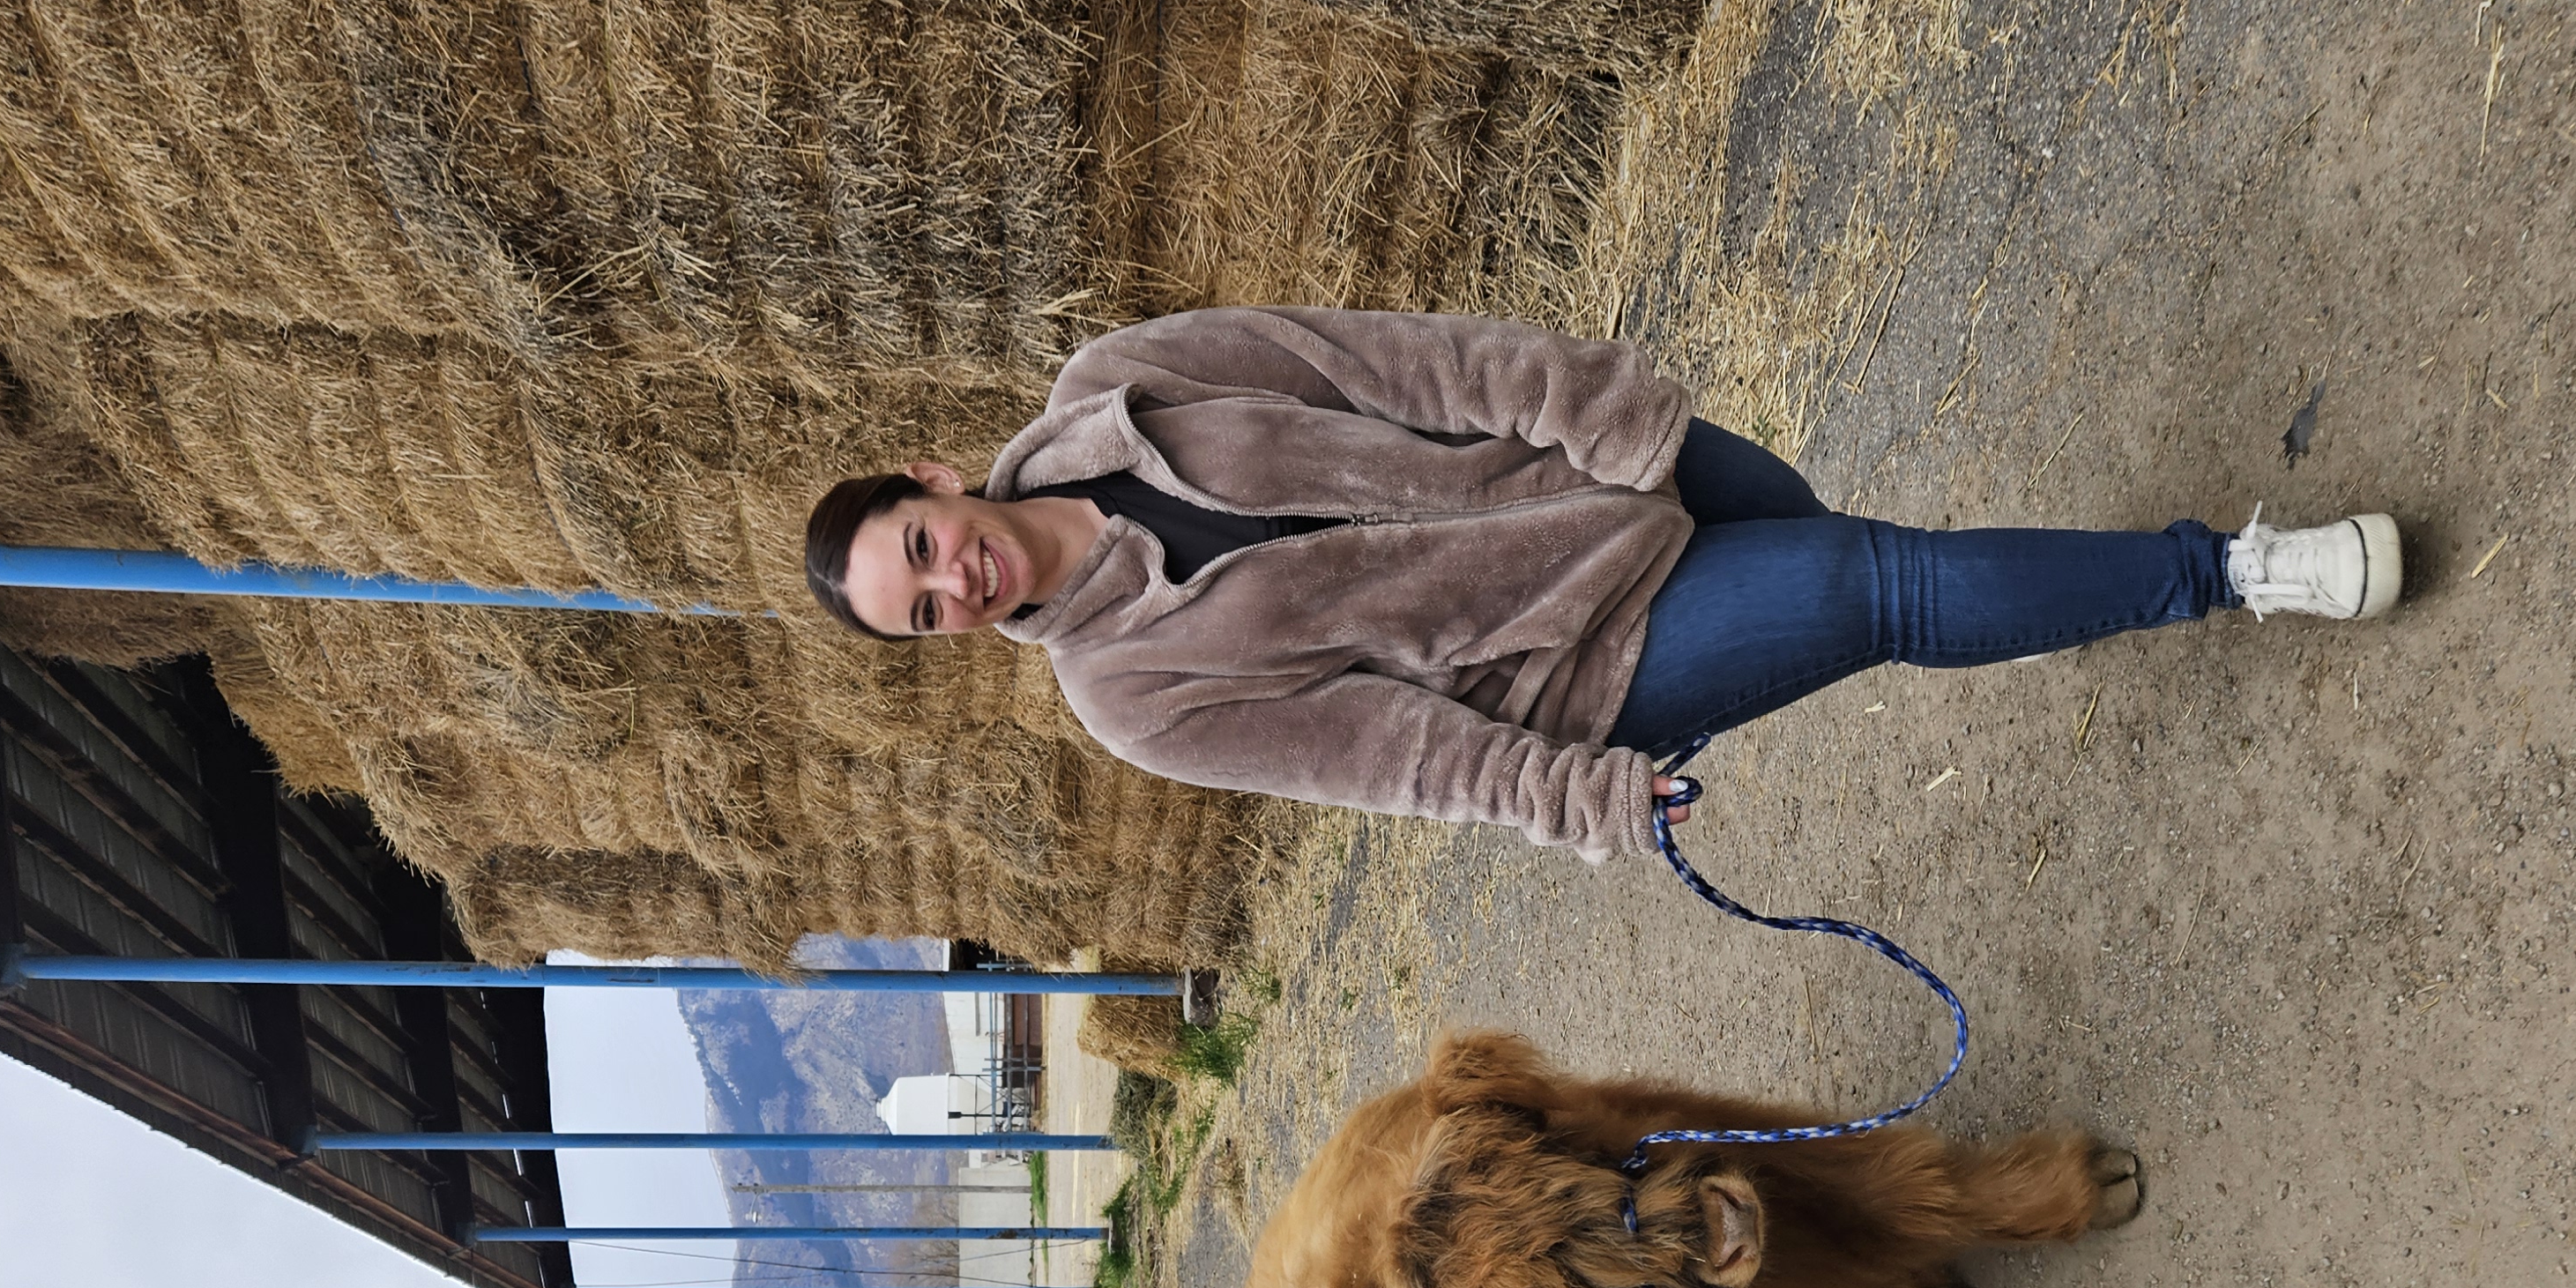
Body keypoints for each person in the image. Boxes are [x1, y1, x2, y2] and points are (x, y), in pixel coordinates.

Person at [803, 308, 2399, 862]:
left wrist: (1588, 406)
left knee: (1833, 540)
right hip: (1583, 656)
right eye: (923, 613)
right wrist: (1580, 799)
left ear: (933, 480)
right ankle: (2232, 570)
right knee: (1875, 588)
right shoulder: (1131, 699)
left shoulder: (1117, 385)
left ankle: (2065, 595)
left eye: (921, 549)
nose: (955, 585)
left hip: (1599, 466)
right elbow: (1388, 753)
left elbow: (1387, 360)